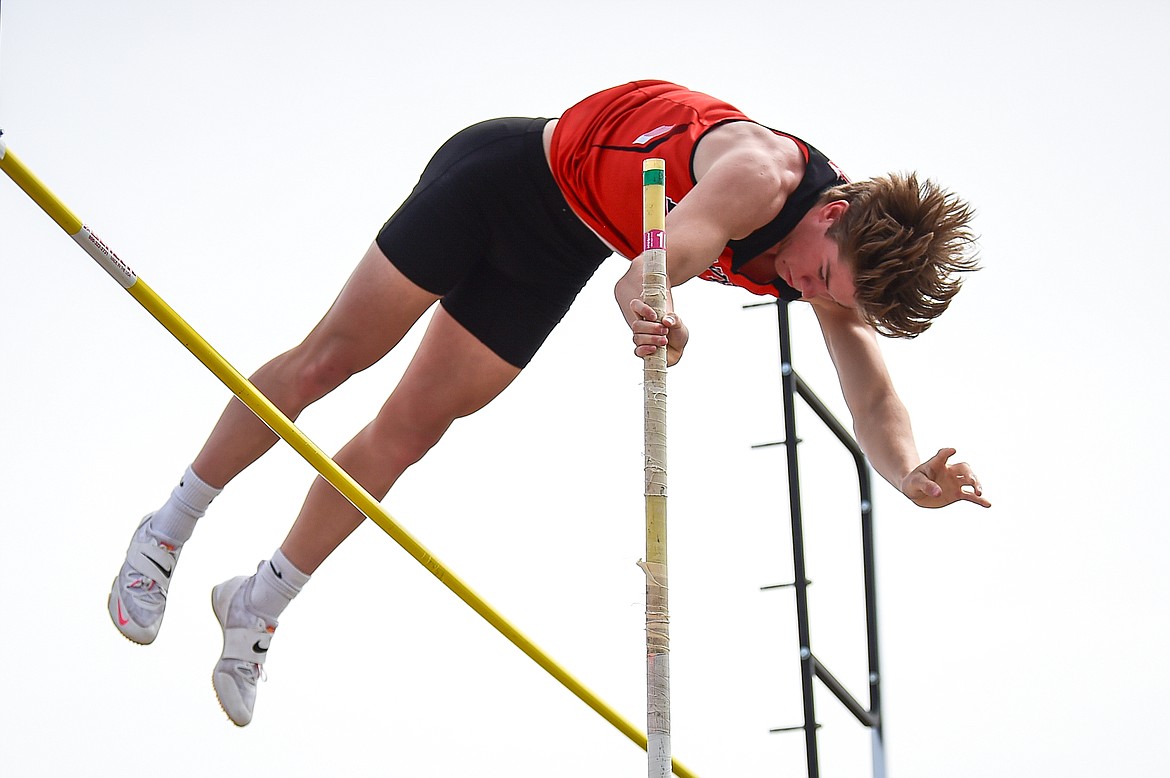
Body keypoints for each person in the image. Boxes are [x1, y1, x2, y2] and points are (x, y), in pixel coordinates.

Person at [107, 79, 990, 726]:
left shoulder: (840, 268)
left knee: (410, 432)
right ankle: (168, 528)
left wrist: (909, 472)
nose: (809, 291)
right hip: (506, 177)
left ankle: (259, 599)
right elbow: (648, 268)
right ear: (834, 211)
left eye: (829, 294)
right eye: (821, 274)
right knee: (328, 363)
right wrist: (661, 307)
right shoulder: (759, 177)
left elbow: (869, 387)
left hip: (560, 243)